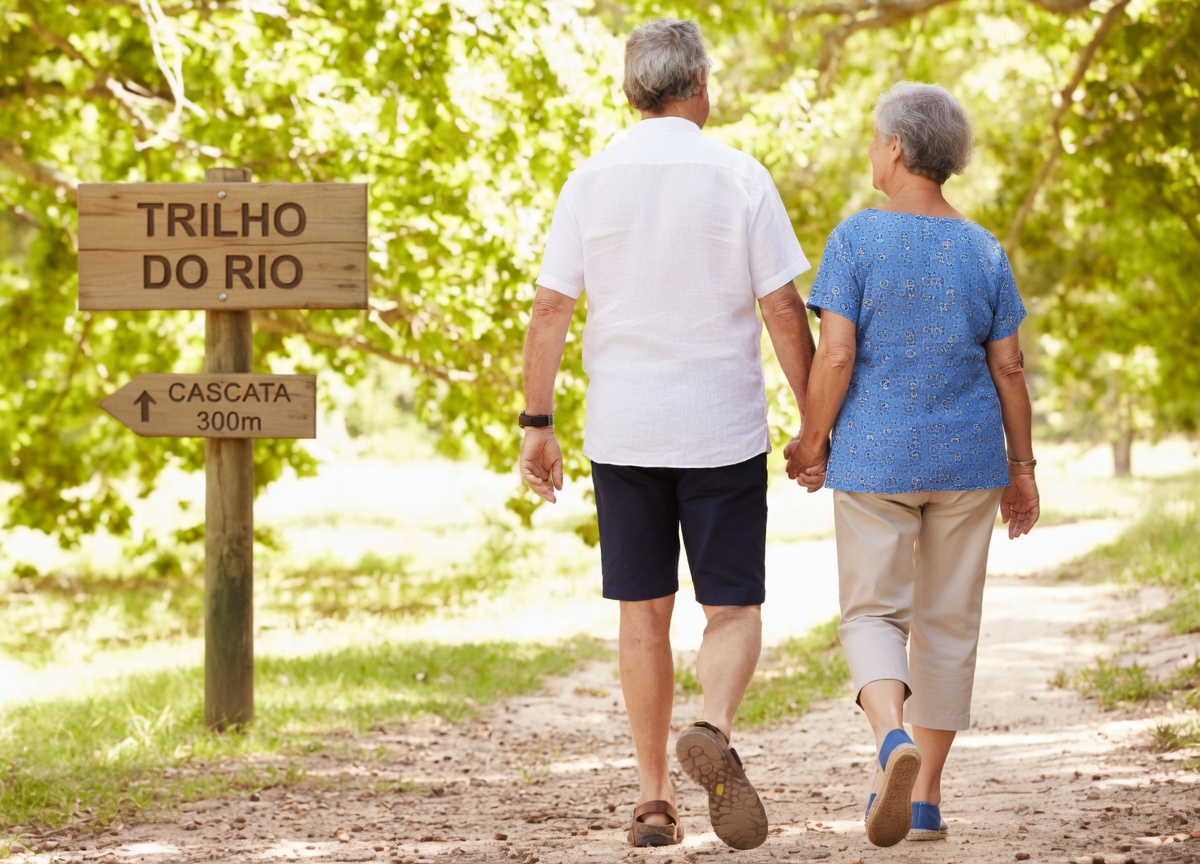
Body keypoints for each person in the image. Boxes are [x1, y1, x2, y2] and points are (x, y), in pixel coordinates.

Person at [519, 17, 815, 851]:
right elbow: (783, 307)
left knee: (643, 616)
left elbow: (551, 307)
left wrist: (536, 424)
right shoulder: (739, 176)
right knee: (734, 609)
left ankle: (654, 799)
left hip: (624, 430)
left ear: (629, 91)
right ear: (700, 87)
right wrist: (814, 421)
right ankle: (712, 727)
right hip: (721, 429)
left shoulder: (589, 180)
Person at [785, 81, 1041, 848]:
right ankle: (924, 797)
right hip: (969, 462)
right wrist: (1022, 467)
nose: (871, 150)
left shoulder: (855, 240)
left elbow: (835, 353)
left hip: (876, 461)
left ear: (896, 148)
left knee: (873, 614)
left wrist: (810, 438)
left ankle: (890, 738)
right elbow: (1011, 370)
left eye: (873, 138)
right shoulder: (984, 249)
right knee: (948, 626)